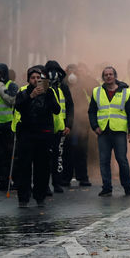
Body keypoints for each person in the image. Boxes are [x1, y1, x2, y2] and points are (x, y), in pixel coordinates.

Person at [13, 66, 60, 207]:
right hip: (27, 134)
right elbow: (18, 106)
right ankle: (23, 198)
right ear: (28, 80)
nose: (36, 80)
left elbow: (57, 110)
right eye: (33, 78)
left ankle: (40, 196)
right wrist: (31, 96)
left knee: (43, 167)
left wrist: (49, 95)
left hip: (43, 135)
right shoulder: (23, 92)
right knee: (24, 167)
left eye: (38, 78)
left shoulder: (49, 92)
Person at [88, 65, 130, 197]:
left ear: (115, 76)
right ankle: (107, 188)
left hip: (119, 131)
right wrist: (94, 126)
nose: (108, 76)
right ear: (103, 77)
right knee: (104, 160)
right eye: (106, 75)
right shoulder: (97, 91)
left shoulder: (125, 91)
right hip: (103, 131)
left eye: (111, 74)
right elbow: (92, 111)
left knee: (121, 160)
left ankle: (127, 186)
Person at [44, 60, 73, 194]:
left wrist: (69, 125)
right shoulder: (42, 86)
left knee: (58, 157)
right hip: (44, 128)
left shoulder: (63, 87)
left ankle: (57, 183)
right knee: (44, 158)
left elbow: (70, 106)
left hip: (60, 128)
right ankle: (45, 185)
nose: (53, 73)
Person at [61, 64, 92, 187]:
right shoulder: (63, 86)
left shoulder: (84, 86)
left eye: (75, 72)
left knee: (82, 152)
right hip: (68, 124)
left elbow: (90, 101)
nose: (72, 75)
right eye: (70, 71)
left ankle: (82, 177)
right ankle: (66, 177)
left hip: (82, 124)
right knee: (67, 152)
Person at [0, 63, 18, 191]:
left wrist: (0, 86)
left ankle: (14, 179)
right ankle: (3, 180)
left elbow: (11, 100)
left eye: (0, 73)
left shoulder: (11, 85)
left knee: (10, 154)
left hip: (8, 125)